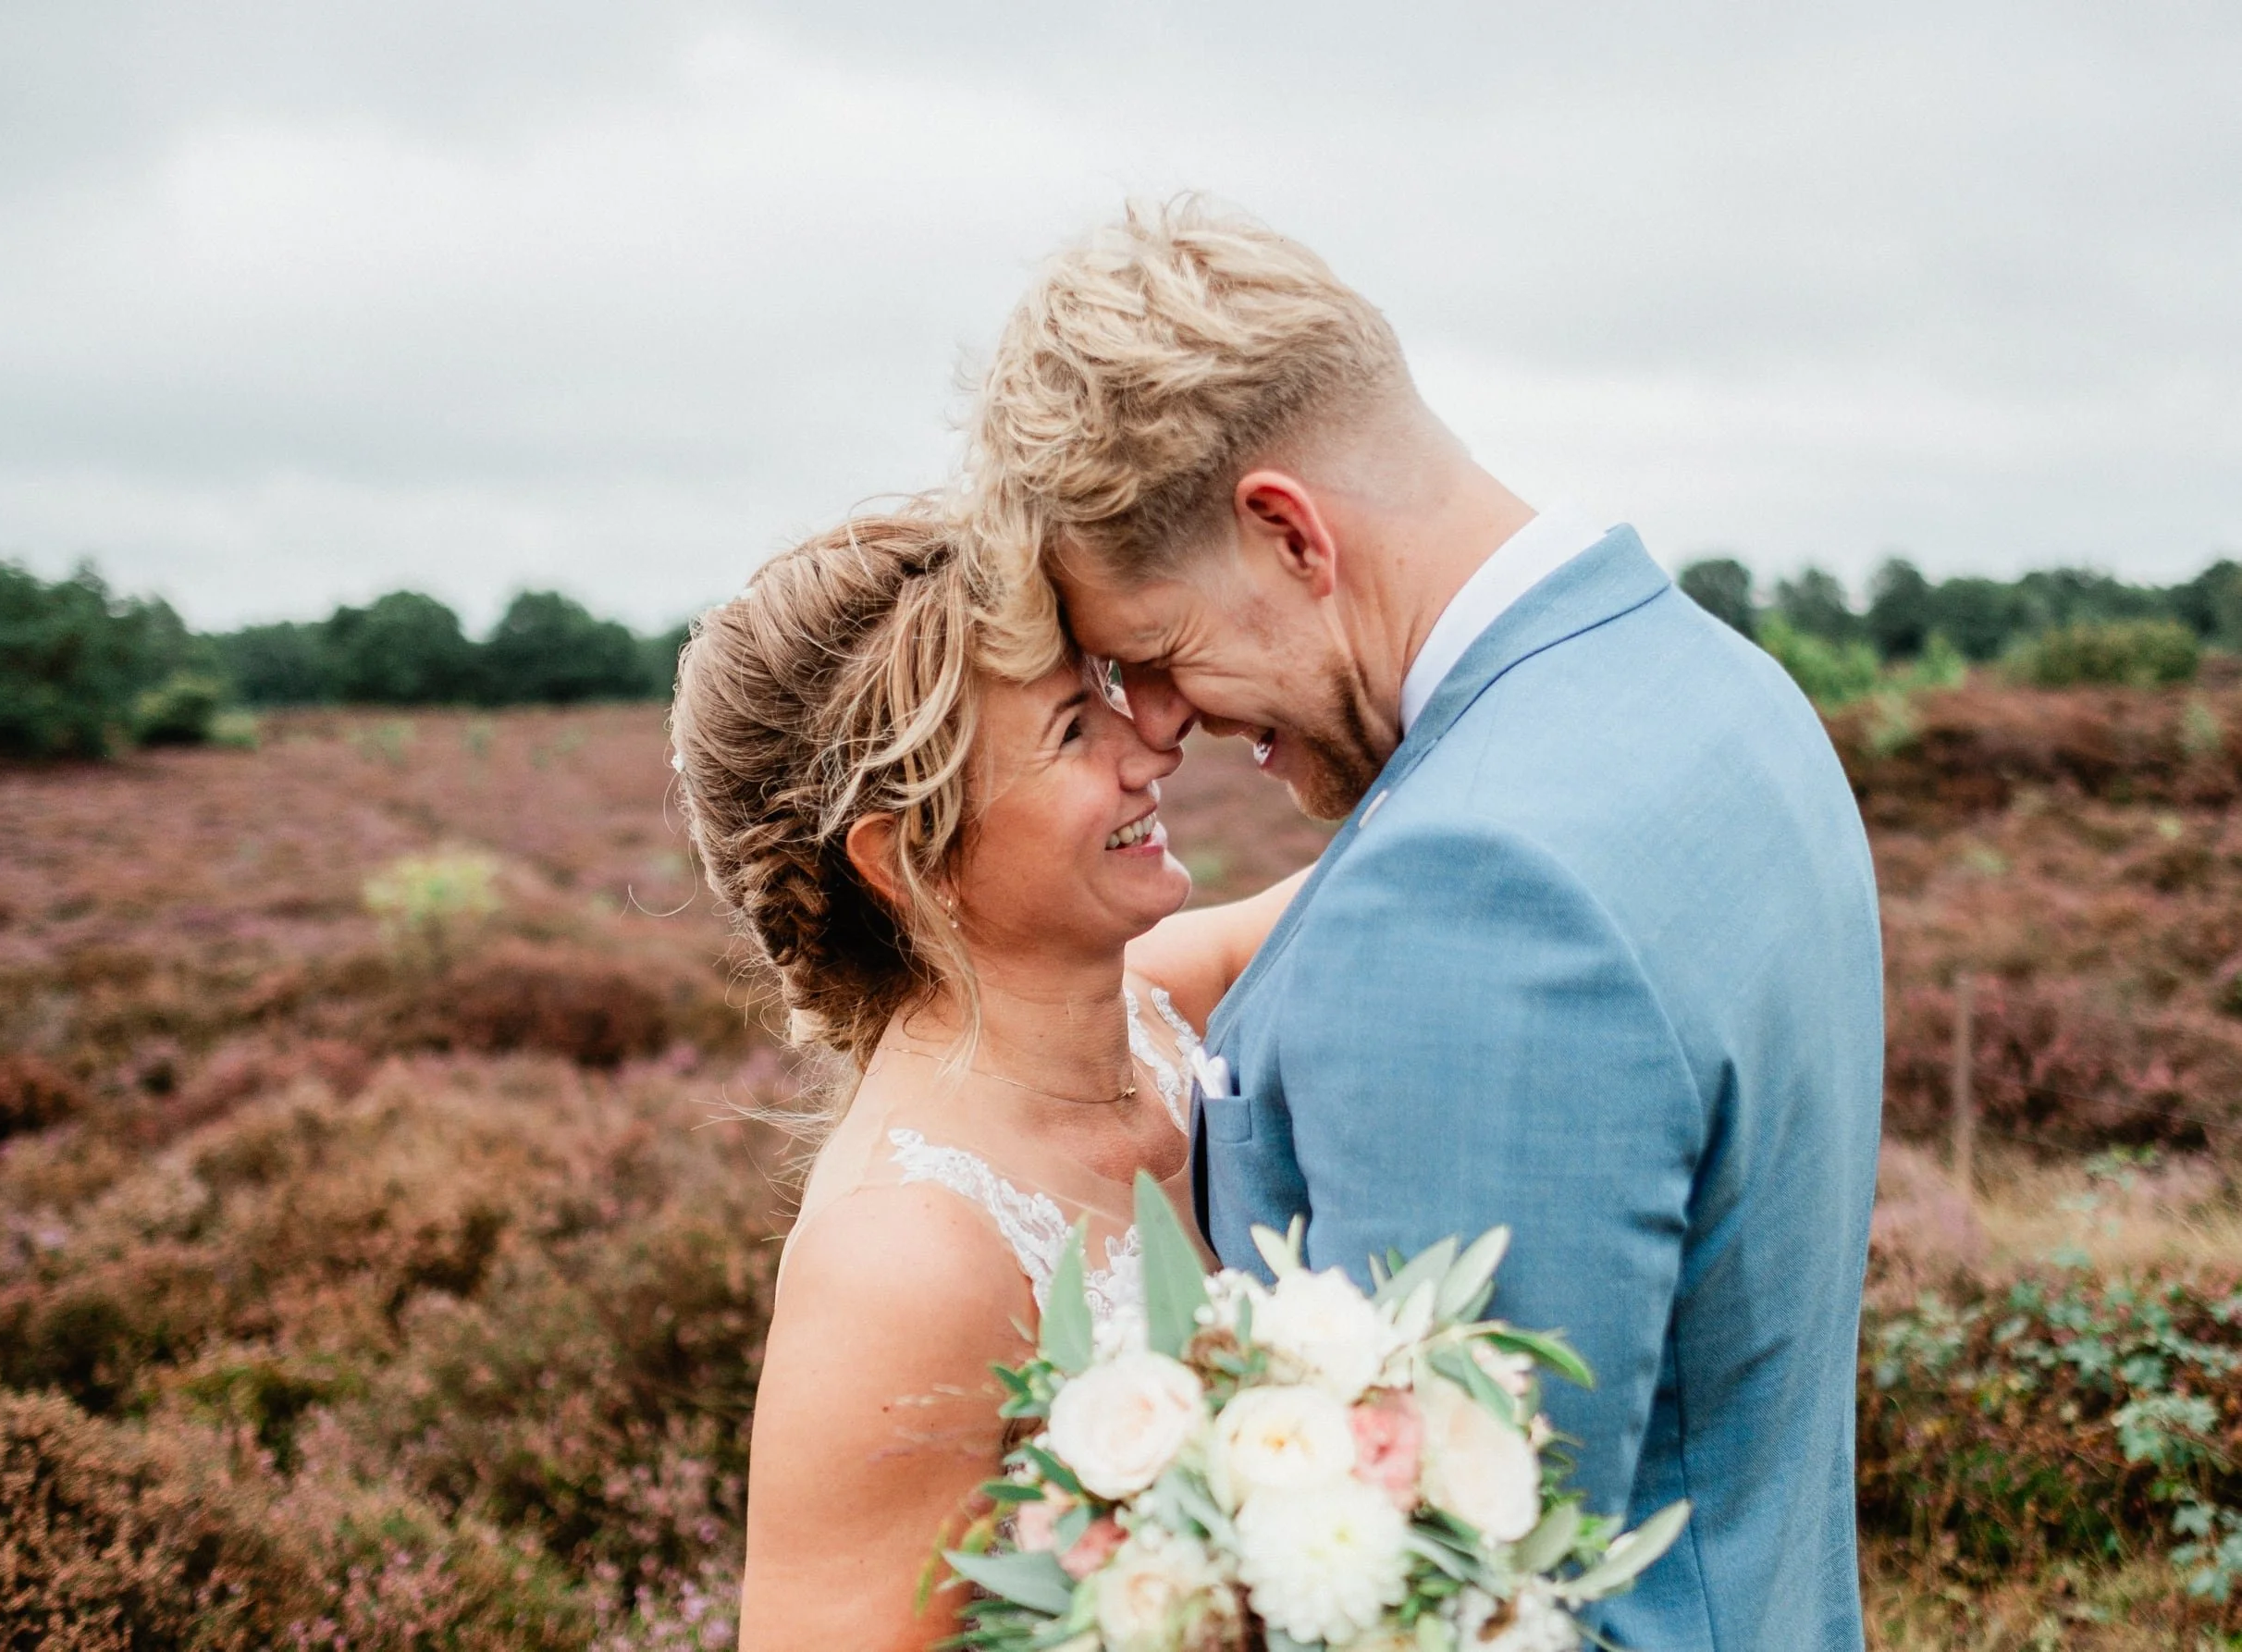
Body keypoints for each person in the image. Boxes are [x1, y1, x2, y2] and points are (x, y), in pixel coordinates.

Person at [963, 199, 1884, 1651]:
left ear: (1286, 532)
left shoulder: (1470, 897)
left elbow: (1443, 1591)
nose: (1165, 723)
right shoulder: (1718, 690)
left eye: (1155, 650)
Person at [669, 505, 1302, 1652]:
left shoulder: (1168, 999)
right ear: (908, 855)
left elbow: (1407, 876)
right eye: (1073, 728)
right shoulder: (900, 1261)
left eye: (1109, 688)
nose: (1150, 746)